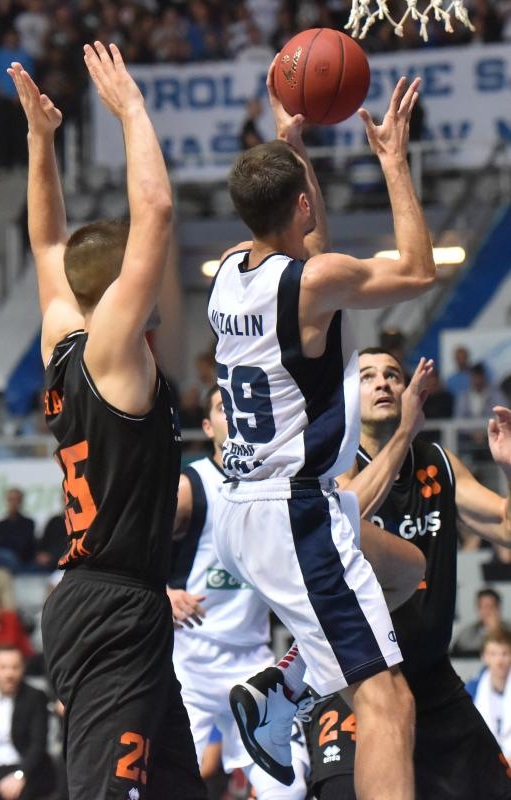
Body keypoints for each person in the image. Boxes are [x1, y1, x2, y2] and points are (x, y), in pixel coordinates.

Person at [208, 54, 436, 799]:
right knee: (387, 703)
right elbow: (416, 270)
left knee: (403, 568)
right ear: (302, 207)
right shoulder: (309, 281)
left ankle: (278, 687)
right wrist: (394, 162)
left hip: (247, 507)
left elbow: (310, 254)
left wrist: (292, 153)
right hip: (292, 510)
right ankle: (283, 691)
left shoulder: (228, 272)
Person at [9, 43, 206, 800]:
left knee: (177, 787)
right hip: (116, 605)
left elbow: (47, 241)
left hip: (109, 597)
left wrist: (41, 139)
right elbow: (154, 208)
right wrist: (132, 112)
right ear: (119, 285)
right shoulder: (116, 351)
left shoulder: (63, 336)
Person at [303, 348, 511, 800]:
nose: (382, 383)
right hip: (358, 683)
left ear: (407, 391)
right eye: (369, 376)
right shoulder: (331, 464)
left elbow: (506, 527)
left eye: (393, 375)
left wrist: (509, 468)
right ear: (347, 396)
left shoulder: (438, 463)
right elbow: (344, 520)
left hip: (433, 677)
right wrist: (403, 435)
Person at [168, 385, 308, 799]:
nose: (233, 415)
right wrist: (162, 590)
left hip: (251, 662)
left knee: (290, 787)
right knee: (162, 786)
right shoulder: (191, 485)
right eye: (220, 408)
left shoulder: (278, 483)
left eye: (238, 408)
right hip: (188, 663)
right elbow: (124, 541)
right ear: (209, 427)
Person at [0, 645, 56, 800]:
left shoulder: (35, 697)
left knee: (20, 792)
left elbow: (38, 745)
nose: (9, 673)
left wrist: (20, 774)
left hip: (25, 768)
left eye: (15, 667)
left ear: (23, 668)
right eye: (3, 667)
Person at [466, 627, 511, 761]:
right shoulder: (471, 690)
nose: (499, 661)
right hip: (484, 762)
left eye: (504, 653)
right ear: (484, 657)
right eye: (493, 654)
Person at [0, 488, 36, 573]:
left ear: (21, 502)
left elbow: (25, 546)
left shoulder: (28, 523)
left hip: (21, 561)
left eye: (16, 500)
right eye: (11, 499)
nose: (13, 503)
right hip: (2, 562)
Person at [452, 588, 510, 657]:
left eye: (491, 606)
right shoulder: (466, 633)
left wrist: (496, 630)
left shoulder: (508, 629)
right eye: (484, 607)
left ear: (498, 608)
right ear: (478, 609)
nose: (488, 611)